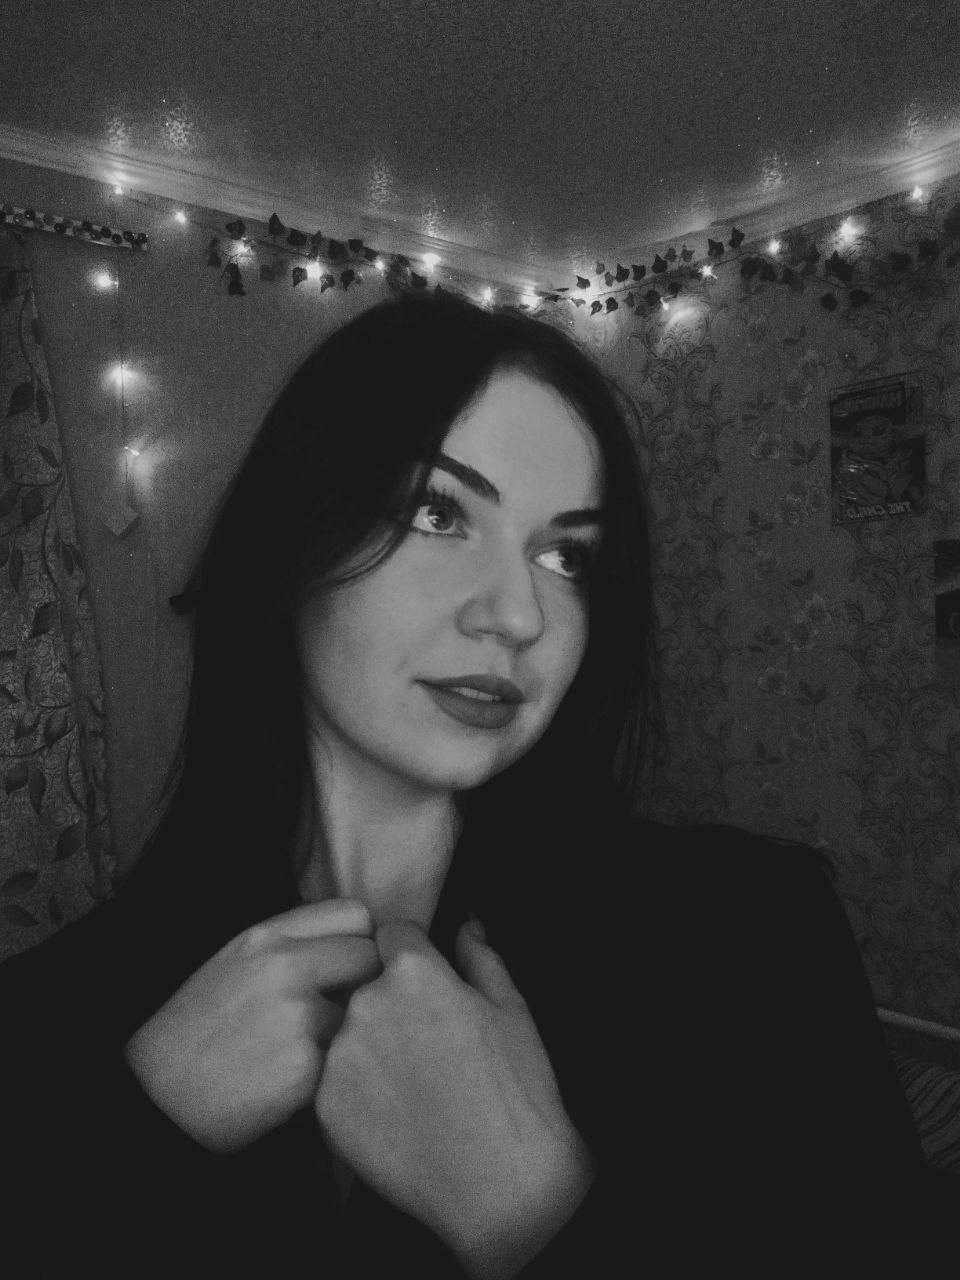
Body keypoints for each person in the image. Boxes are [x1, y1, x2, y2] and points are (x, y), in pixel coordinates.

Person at [0, 291, 949, 1276]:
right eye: (438, 511)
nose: (520, 615)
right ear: (292, 540)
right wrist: (135, 1130)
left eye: (567, 555)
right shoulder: (55, 1016)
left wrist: (530, 1206)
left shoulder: (755, 937)